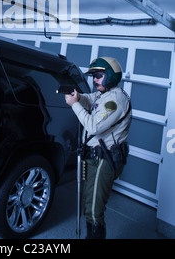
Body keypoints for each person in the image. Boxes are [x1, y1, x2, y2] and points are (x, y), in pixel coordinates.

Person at [65, 56, 131, 239]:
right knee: (89, 203)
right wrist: (78, 97)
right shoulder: (104, 95)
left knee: (94, 210)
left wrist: (74, 105)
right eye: (93, 75)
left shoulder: (115, 100)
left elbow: (94, 126)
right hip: (94, 157)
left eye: (99, 75)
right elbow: (89, 99)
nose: (94, 80)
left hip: (105, 159)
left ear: (110, 76)